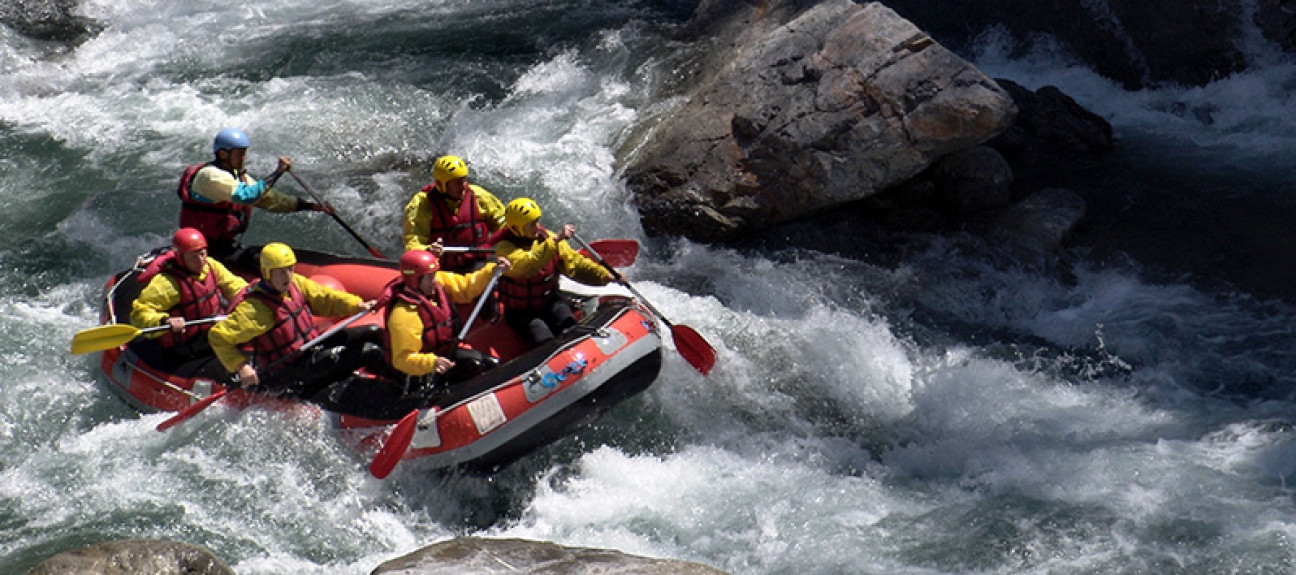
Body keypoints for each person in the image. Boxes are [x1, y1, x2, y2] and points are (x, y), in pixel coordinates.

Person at [207, 242, 382, 400]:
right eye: (281, 272)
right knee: (369, 351)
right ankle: (399, 392)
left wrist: (358, 305)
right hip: (290, 369)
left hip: (312, 347)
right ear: (267, 273)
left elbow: (325, 298)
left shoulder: (295, 284)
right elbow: (219, 337)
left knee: (374, 331)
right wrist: (242, 366)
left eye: (290, 269)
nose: (287, 275)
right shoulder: (256, 310)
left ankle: (396, 376)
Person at [177, 127, 332, 270]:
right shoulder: (209, 176)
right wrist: (277, 172)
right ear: (223, 154)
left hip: (224, 245)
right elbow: (247, 196)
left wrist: (311, 206)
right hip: (203, 249)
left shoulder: (237, 177)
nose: (243, 158)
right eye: (239, 153)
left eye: (244, 153)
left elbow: (271, 199)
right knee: (266, 265)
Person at [377, 250, 511, 394]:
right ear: (415, 280)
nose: (434, 280)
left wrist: (491, 270)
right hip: (422, 371)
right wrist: (432, 363)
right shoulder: (404, 314)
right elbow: (403, 359)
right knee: (472, 365)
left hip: (444, 354)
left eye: (434, 275)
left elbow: (466, 287)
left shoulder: (436, 283)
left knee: (489, 364)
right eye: (429, 277)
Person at [494, 198, 615, 345]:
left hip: (550, 302)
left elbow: (575, 264)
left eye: (538, 221)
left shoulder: (548, 238)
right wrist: (556, 240)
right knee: (542, 335)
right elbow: (528, 264)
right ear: (516, 228)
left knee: (570, 324)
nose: (538, 226)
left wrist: (605, 275)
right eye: (532, 224)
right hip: (521, 313)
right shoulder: (504, 249)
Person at [129, 228, 247, 362]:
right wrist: (165, 320)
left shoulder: (211, 266)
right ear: (181, 258)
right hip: (185, 344)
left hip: (214, 330)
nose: (200, 260)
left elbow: (236, 286)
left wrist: (252, 300)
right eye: (193, 257)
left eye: (202, 254)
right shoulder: (168, 283)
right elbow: (139, 313)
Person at [402, 155, 506, 273]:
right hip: (440, 270)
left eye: (464, 180)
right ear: (442, 185)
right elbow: (413, 242)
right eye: (457, 183)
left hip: (477, 266)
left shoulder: (479, 196)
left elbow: (504, 224)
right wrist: (428, 251)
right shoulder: (421, 204)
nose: (463, 186)